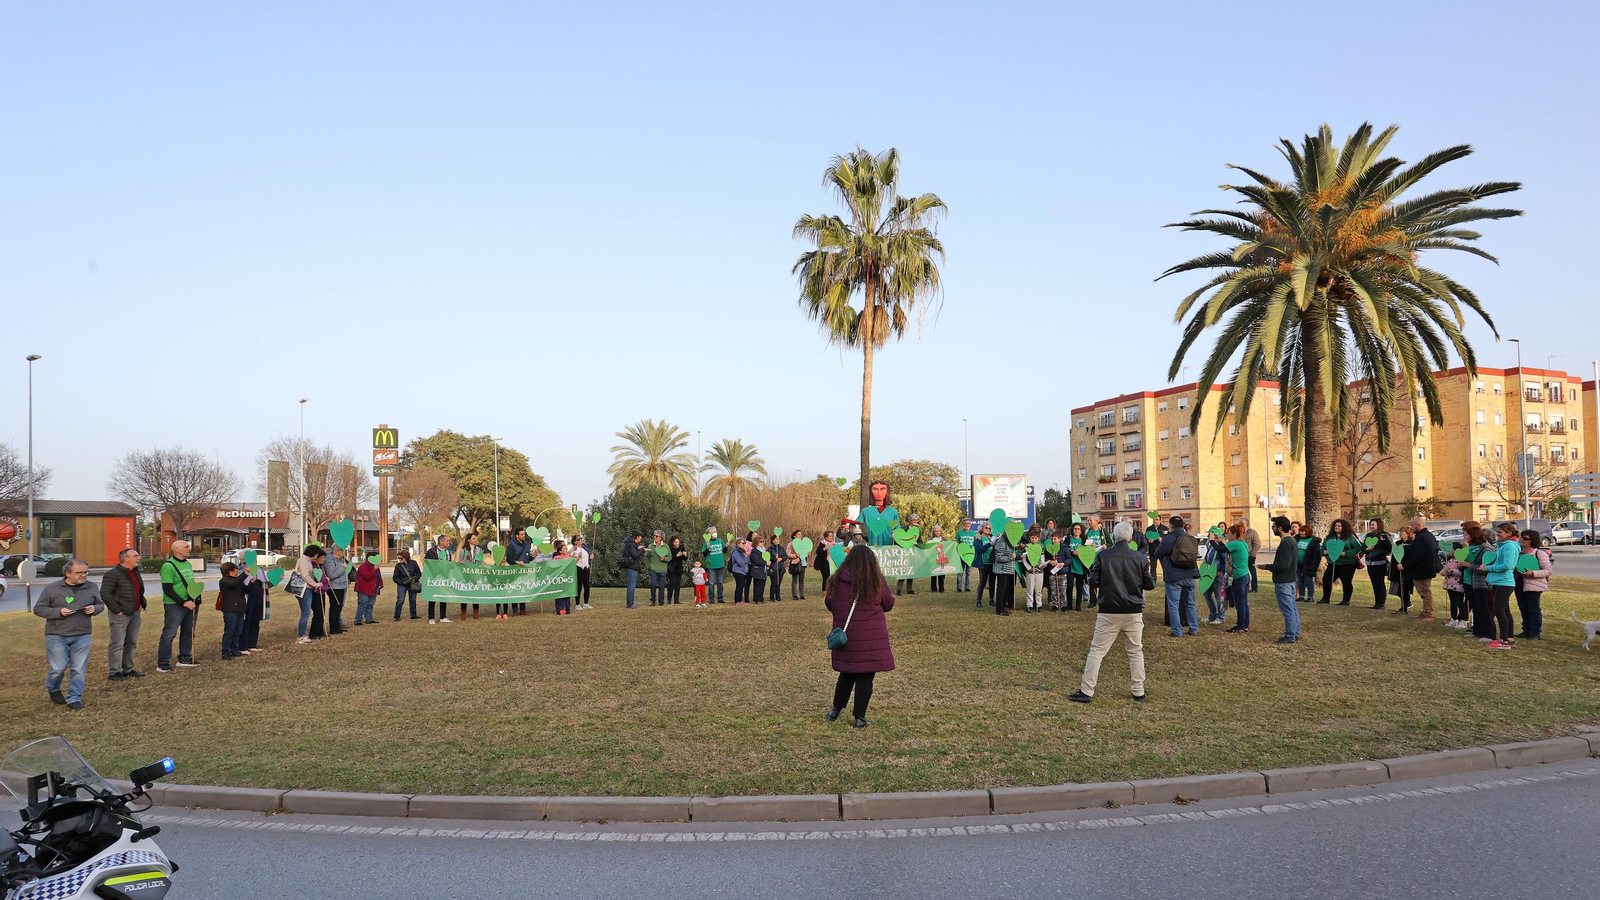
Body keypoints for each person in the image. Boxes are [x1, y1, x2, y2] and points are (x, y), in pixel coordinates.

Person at [1068, 523, 1152, 704]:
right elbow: (1150, 584)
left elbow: (1093, 580)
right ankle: (1138, 690)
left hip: (1109, 610)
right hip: (1133, 610)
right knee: (1135, 651)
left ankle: (1087, 690)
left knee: (1097, 651)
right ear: (1130, 539)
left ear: (1114, 537)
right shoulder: (1139, 557)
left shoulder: (1103, 556)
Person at [823, 543, 896, 728]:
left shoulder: (837, 579)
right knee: (865, 677)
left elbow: (830, 604)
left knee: (846, 674)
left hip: (846, 637)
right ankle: (859, 717)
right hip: (870, 638)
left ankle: (835, 711)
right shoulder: (876, 580)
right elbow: (888, 603)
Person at [34, 559, 101, 709]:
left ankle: (74, 698)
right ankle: (53, 688)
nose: (83, 575)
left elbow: (100, 604)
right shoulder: (51, 588)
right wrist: (59, 612)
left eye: (85, 572)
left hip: (82, 633)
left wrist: (94, 609)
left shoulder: (91, 587)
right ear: (67, 573)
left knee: (78, 669)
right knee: (58, 668)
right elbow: (38, 609)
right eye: (79, 573)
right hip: (57, 634)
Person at [99, 547, 146, 681]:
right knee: (117, 643)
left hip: (135, 612)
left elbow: (138, 590)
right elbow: (105, 593)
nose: (139, 558)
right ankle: (114, 672)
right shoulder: (113, 574)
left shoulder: (135, 572)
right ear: (126, 558)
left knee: (131, 642)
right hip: (121, 614)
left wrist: (141, 602)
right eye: (135, 556)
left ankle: (128, 669)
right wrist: (117, 610)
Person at [1152, 516, 1200, 637]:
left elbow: (1158, 553)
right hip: (1190, 574)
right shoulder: (1190, 538)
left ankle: (1178, 631)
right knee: (1190, 604)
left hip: (1174, 576)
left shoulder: (1169, 539)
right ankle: (1193, 629)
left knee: (1173, 605)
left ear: (1171, 526)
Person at [158, 540, 202, 668]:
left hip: (190, 603)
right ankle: (163, 662)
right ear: (176, 549)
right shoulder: (168, 566)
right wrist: (183, 602)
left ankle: (185, 657)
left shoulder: (187, 564)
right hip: (174, 605)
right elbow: (167, 589)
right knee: (169, 633)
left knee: (188, 631)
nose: (189, 549)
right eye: (186, 547)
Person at [1480, 522, 1519, 649]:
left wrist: (1488, 568)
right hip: (1498, 582)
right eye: (1497, 532)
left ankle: (1505, 640)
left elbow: (1508, 565)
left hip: (1504, 582)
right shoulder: (1502, 546)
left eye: (1500, 532)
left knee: (1499, 610)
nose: (1497, 535)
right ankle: (1509, 638)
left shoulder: (1509, 547)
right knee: (1505, 610)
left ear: (1509, 533)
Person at [1265, 516, 1302, 644]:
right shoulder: (1291, 541)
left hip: (1284, 581)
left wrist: (1268, 567)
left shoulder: (1286, 542)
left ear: (1280, 528)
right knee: (1292, 607)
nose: (1273, 529)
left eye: (1274, 527)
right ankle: (1294, 633)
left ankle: (1291, 635)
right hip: (1290, 580)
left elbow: (1284, 564)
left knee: (1288, 609)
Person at [287, 544, 327, 644]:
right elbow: (305, 575)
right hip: (304, 588)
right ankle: (301, 636)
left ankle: (302, 634)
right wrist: (315, 584)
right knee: (306, 612)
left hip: (308, 588)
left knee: (306, 612)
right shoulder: (304, 560)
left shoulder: (308, 560)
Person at [1514, 529, 1550, 640]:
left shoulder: (1539, 554)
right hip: (1519, 584)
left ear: (1532, 540)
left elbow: (1548, 571)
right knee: (1523, 608)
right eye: (1521, 537)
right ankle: (1526, 630)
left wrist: (1532, 573)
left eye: (1525, 538)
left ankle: (1535, 632)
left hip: (1533, 585)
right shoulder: (1518, 553)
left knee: (1534, 609)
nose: (1522, 540)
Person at [1402, 516, 1440, 622]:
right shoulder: (1428, 536)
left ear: (1419, 525)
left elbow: (1418, 555)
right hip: (1424, 569)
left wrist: (1405, 565)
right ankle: (1425, 612)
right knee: (1424, 591)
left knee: (1425, 592)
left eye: (1412, 525)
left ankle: (1428, 613)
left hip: (1422, 570)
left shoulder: (1422, 537)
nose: (1411, 527)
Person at [846, 479, 900, 546]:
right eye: (875, 489)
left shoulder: (893, 512)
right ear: (871, 492)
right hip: (873, 547)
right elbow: (857, 522)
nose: (879, 493)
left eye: (882, 489)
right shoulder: (866, 511)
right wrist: (844, 522)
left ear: (887, 492)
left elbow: (898, 530)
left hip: (888, 548)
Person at [1319, 520, 1360, 604]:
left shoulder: (1350, 537)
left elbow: (1358, 548)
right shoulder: (1330, 537)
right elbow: (1322, 547)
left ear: (1344, 527)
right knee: (1326, 579)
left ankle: (1346, 600)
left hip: (1347, 564)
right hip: (1333, 563)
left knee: (1346, 582)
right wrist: (1324, 552)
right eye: (1335, 526)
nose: (1336, 527)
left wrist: (1347, 553)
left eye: (1339, 526)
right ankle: (1325, 598)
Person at [1225, 523, 1252, 634]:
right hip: (1245, 575)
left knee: (1239, 603)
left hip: (1238, 577)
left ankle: (1240, 627)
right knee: (1244, 603)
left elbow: (1220, 549)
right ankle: (1245, 625)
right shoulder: (1243, 543)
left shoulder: (1235, 543)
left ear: (1234, 534)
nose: (1227, 536)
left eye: (1229, 534)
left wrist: (1212, 540)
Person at [217, 562, 248, 659]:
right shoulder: (224, 581)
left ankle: (235, 649)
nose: (237, 571)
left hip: (239, 608)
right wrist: (245, 574)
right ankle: (226, 651)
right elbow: (233, 584)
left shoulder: (237, 580)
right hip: (230, 609)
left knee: (238, 631)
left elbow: (246, 589)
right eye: (236, 569)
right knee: (229, 631)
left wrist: (251, 582)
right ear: (230, 571)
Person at [1201, 527, 1231, 624]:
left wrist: (1222, 571)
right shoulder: (1210, 546)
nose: (1207, 535)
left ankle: (1221, 617)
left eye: (1209, 534)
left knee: (1219, 596)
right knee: (1207, 594)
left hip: (1218, 575)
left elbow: (1227, 559)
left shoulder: (1221, 546)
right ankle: (1212, 615)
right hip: (1209, 574)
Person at [1362, 520, 1393, 610]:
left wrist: (1380, 551)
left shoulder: (1384, 535)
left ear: (1378, 525)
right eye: (1370, 525)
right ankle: (1377, 603)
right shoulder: (1369, 535)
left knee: (1380, 583)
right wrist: (1367, 549)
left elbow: (1390, 549)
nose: (1371, 526)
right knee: (1374, 583)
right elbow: (1363, 547)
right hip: (1370, 562)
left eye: (1373, 525)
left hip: (1380, 562)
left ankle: (1381, 603)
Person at [423, 536, 453, 623]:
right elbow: (427, 563)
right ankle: (431, 618)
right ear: (441, 541)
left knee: (443, 597)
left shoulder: (448, 552)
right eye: (447, 541)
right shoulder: (432, 551)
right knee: (432, 597)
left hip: (444, 577)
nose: (449, 542)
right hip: (434, 578)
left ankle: (443, 616)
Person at [506, 527, 534, 616]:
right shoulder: (512, 545)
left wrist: (533, 556)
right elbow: (509, 559)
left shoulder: (526, 544)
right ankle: (515, 609)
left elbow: (528, 557)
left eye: (524, 534)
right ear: (517, 535)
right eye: (521, 534)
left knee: (524, 589)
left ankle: (523, 608)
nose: (523, 536)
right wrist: (517, 562)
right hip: (515, 571)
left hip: (525, 570)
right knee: (515, 589)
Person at [990, 525, 1016, 616]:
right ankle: (999, 610)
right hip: (1001, 569)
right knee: (1001, 590)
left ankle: (1003, 608)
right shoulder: (1001, 542)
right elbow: (998, 557)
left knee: (1004, 589)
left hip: (1007, 569)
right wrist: (1010, 557)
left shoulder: (1009, 542)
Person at [241, 563, 267, 653]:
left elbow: (265, 583)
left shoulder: (259, 569)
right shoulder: (242, 569)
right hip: (247, 598)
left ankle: (252, 644)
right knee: (246, 622)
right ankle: (243, 646)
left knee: (255, 620)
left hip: (258, 597)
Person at [1063, 522, 1088, 612]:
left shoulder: (1084, 540)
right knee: (1069, 586)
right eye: (1075, 529)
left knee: (1080, 586)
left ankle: (1078, 605)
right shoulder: (1068, 539)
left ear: (1081, 531)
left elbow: (1088, 552)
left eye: (1078, 529)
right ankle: (1069, 604)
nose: (1076, 531)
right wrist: (1072, 553)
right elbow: (1064, 550)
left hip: (1081, 566)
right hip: (1070, 566)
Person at [324, 545, 350, 634]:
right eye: (342, 550)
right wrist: (342, 568)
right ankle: (333, 628)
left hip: (342, 586)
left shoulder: (341, 559)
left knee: (339, 607)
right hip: (334, 587)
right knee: (335, 607)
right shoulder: (330, 560)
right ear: (337, 551)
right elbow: (331, 575)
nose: (344, 552)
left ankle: (337, 626)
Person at [1441, 546, 1468, 629]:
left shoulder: (1460, 561)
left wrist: (1450, 571)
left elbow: (1461, 573)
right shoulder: (1450, 560)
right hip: (1450, 585)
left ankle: (1463, 620)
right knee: (1453, 602)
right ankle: (1453, 618)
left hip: (1458, 585)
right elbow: (1444, 570)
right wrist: (1443, 571)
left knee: (1460, 602)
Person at [352, 553, 383, 625]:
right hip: (364, 588)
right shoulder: (363, 566)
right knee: (363, 604)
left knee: (370, 604)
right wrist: (374, 569)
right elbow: (367, 577)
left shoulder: (376, 566)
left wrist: (380, 585)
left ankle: (369, 619)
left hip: (374, 588)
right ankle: (358, 620)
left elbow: (379, 576)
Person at [457, 534, 483, 620]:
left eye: (476, 538)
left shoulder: (479, 549)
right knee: (465, 592)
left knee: (475, 592)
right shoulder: (463, 550)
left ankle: (476, 612)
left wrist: (482, 563)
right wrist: (461, 563)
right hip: (466, 574)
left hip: (476, 574)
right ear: (469, 540)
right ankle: (463, 612)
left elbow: (480, 560)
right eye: (473, 538)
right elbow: (459, 562)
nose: (475, 540)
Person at [1019, 527, 1045, 612]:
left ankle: (1039, 605)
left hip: (1039, 571)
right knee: (1030, 589)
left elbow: (1042, 558)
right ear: (1030, 538)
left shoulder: (1040, 547)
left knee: (1038, 590)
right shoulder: (1027, 547)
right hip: (1030, 572)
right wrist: (1029, 568)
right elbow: (1024, 559)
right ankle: (1029, 605)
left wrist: (1042, 565)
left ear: (1038, 539)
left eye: (1036, 538)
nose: (1034, 539)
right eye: (1032, 538)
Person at [392, 549, 421, 621]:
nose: (400, 560)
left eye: (401, 558)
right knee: (400, 600)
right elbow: (395, 577)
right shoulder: (398, 566)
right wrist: (402, 582)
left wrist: (415, 579)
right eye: (398, 558)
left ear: (406, 557)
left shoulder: (413, 563)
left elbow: (418, 573)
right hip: (402, 584)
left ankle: (413, 615)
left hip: (412, 583)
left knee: (413, 600)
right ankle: (396, 616)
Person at [701, 526, 728, 604]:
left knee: (720, 582)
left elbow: (724, 551)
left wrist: (726, 546)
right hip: (711, 566)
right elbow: (704, 554)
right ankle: (711, 599)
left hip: (720, 565)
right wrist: (707, 547)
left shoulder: (720, 540)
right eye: (713, 532)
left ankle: (720, 598)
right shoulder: (706, 542)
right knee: (711, 583)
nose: (715, 533)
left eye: (715, 531)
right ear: (709, 533)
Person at [1297, 524, 1322, 604]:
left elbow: (1316, 556)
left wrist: (1313, 566)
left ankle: (1310, 597)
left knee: (1308, 580)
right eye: (1300, 531)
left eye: (1303, 531)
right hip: (1298, 564)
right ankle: (1301, 596)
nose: (1301, 533)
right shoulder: (1297, 539)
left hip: (1308, 564)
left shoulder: (1313, 542)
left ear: (1308, 532)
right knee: (1300, 580)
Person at [620, 531, 645, 609]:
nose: (640, 539)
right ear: (637, 537)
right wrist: (643, 550)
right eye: (640, 537)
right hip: (631, 567)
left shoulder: (630, 544)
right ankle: (630, 604)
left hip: (631, 567)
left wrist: (638, 548)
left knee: (631, 585)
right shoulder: (631, 544)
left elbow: (631, 552)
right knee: (631, 586)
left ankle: (630, 603)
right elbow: (635, 555)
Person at [974, 523, 995, 608]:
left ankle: (991, 600)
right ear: (981, 528)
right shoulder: (978, 538)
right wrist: (989, 544)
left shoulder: (991, 538)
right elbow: (978, 549)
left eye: (989, 528)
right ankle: (978, 601)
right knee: (982, 582)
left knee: (992, 582)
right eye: (986, 528)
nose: (988, 529)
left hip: (992, 563)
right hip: (983, 563)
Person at [550, 540, 573, 615]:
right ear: (560, 551)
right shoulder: (556, 558)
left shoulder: (568, 557)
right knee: (558, 593)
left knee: (567, 594)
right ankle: (558, 609)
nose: (566, 550)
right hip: (558, 578)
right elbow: (553, 566)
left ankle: (567, 609)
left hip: (566, 577)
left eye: (566, 549)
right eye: (564, 549)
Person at [647, 531, 669, 606]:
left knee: (662, 586)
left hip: (662, 569)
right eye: (654, 536)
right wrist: (648, 566)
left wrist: (665, 559)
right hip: (653, 569)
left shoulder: (666, 546)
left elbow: (670, 557)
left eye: (656, 536)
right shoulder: (651, 546)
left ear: (661, 538)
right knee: (653, 584)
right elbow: (646, 557)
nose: (654, 537)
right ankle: (652, 600)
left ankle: (661, 601)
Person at [571, 535, 593, 609]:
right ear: (575, 542)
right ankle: (577, 604)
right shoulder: (574, 549)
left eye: (581, 539)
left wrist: (590, 557)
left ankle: (586, 603)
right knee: (579, 586)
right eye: (579, 539)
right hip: (578, 568)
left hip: (586, 567)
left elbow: (587, 557)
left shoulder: (585, 548)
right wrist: (577, 556)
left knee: (587, 586)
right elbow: (572, 559)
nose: (581, 540)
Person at [955, 522, 976, 592]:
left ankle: (967, 587)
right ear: (963, 524)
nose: (967, 525)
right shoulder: (959, 533)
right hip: (961, 555)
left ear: (970, 524)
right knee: (960, 571)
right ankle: (959, 587)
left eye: (968, 523)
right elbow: (955, 542)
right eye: (965, 523)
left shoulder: (974, 534)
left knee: (969, 572)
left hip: (970, 556)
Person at [729, 538, 751, 605]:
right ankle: (737, 601)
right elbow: (740, 562)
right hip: (737, 571)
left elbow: (748, 560)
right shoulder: (735, 552)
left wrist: (746, 558)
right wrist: (745, 557)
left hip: (743, 571)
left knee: (741, 586)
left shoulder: (743, 551)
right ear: (738, 544)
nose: (744, 544)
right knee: (739, 586)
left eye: (744, 543)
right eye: (742, 543)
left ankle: (740, 600)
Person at [926, 524, 947, 594]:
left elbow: (948, 547)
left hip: (942, 559)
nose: (937, 532)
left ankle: (941, 588)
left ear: (941, 532)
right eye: (936, 531)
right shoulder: (930, 539)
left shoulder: (944, 539)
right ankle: (933, 589)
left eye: (938, 531)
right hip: (933, 559)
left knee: (941, 574)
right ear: (933, 532)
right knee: (934, 574)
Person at [1242, 519, 1262, 593]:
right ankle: (1245, 587)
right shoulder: (1239, 533)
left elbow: (1257, 544)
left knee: (1252, 571)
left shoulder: (1252, 532)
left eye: (1242, 523)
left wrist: (1252, 554)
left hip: (1250, 555)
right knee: (1244, 572)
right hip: (1242, 556)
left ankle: (1254, 587)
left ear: (1247, 524)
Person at [749, 535, 770, 603]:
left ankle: (761, 598)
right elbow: (756, 561)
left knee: (762, 585)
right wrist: (765, 562)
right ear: (756, 542)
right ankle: (757, 599)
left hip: (764, 570)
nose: (762, 543)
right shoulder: (754, 551)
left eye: (763, 541)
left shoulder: (763, 550)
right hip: (757, 570)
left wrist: (768, 562)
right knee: (757, 585)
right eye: (761, 542)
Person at [790, 529, 809, 599]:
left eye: (801, 534)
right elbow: (788, 553)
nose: (800, 536)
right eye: (798, 534)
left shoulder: (803, 544)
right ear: (794, 536)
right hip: (795, 563)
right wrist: (795, 555)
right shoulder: (791, 544)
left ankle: (802, 595)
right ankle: (794, 595)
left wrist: (808, 553)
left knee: (802, 580)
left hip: (803, 563)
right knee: (794, 580)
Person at [769, 531, 787, 601]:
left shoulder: (781, 548)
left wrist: (781, 558)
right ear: (773, 540)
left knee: (779, 583)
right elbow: (768, 558)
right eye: (776, 539)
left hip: (781, 567)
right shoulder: (770, 548)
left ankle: (778, 596)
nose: (778, 540)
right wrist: (775, 559)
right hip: (774, 568)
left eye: (778, 539)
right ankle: (772, 597)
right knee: (774, 583)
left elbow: (785, 556)